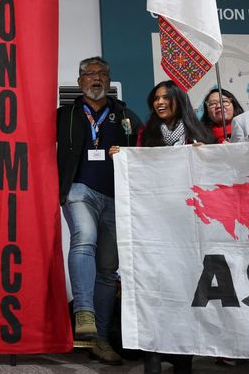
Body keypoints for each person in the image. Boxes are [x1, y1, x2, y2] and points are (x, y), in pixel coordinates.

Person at [112, 80, 212, 374]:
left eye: (166, 97)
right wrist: (124, 157)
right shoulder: (147, 133)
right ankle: (153, 352)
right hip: (155, 226)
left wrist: (206, 154)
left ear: (179, 100)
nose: (160, 102)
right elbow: (140, 168)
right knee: (154, 288)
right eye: (156, 98)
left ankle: (184, 355)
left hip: (189, 227)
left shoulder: (199, 134)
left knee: (185, 288)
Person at [56, 56, 142, 366]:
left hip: (117, 198)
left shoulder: (125, 115)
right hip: (79, 190)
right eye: (90, 74)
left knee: (107, 269)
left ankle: (101, 340)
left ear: (108, 81)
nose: (96, 78)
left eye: (102, 74)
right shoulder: (64, 115)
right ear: (80, 82)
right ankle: (83, 311)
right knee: (84, 238)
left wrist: (129, 151)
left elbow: (146, 151)